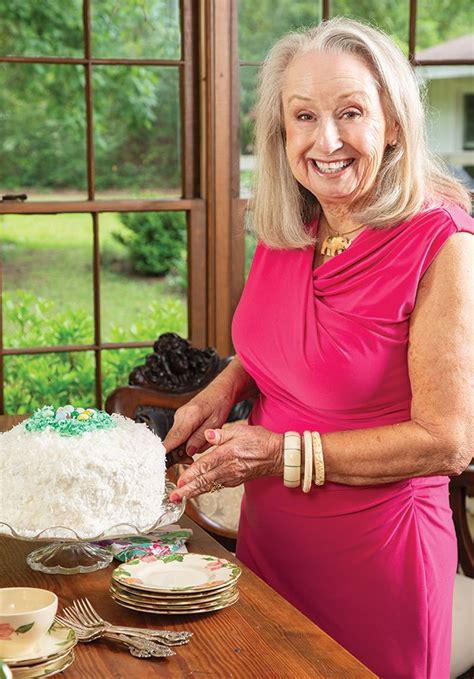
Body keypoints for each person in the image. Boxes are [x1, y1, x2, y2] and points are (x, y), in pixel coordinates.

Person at [164, 17, 474, 678]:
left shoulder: (442, 241)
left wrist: (278, 452)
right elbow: (282, 344)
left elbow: (449, 440)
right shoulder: (292, 222)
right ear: (281, 130)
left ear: (392, 122)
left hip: (379, 560)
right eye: (303, 116)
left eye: (351, 112)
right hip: (272, 540)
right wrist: (223, 388)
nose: (325, 141)